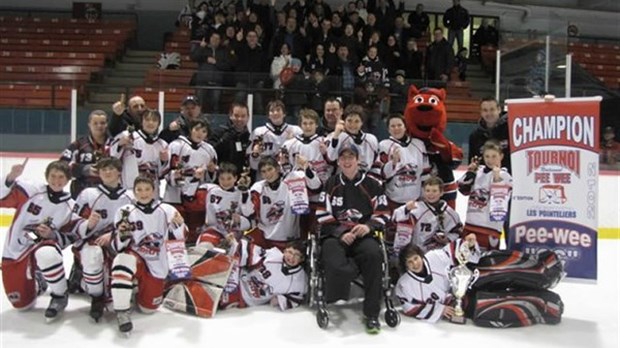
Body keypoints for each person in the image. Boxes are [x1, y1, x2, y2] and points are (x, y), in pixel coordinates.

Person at [0, 160, 95, 321]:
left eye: (61, 177)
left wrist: (52, 235)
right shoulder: (31, 191)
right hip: (16, 250)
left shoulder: (71, 206)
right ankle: (39, 281)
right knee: (22, 305)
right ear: (46, 176)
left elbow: (72, 236)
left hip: (43, 247)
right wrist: (10, 177)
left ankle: (59, 294)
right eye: (53, 176)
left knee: (47, 253)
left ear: (68, 180)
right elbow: (3, 198)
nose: (56, 180)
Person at [315, 144, 390, 334]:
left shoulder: (372, 184)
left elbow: (384, 212)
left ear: (358, 160)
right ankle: (344, 282)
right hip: (335, 235)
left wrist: (368, 226)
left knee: (373, 256)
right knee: (335, 262)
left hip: (362, 235)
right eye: (343, 158)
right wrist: (340, 232)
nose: (347, 161)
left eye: (351, 158)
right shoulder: (331, 183)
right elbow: (322, 214)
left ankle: (372, 314)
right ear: (338, 161)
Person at [110, 176, 187, 334]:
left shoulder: (167, 210)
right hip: (136, 256)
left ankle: (134, 288)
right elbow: (118, 246)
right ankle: (122, 310)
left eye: (147, 189)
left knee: (148, 308)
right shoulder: (124, 211)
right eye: (139, 189)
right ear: (134, 191)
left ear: (153, 191)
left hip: (158, 263)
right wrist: (123, 235)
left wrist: (178, 226)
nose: (143, 193)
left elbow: (181, 240)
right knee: (122, 261)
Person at [71, 157, 134, 321]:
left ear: (119, 172)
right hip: (93, 241)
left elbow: (140, 224)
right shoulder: (88, 194)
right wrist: (89, 225)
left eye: (111, 168)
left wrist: (113, 234)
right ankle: (97, 297)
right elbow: (74, 223)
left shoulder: (131, 195)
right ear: (98, 173)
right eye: (103, 169)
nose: (107, 172)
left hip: (121, 241)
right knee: (92, 256)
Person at [394, 234, 479, 323]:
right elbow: (409, 309)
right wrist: (439, 309)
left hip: (458, 301)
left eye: (416, 258)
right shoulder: (404, 284)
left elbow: (453, 252)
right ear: (405, 265)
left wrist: (468, 245)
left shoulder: (435, 257)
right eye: (410, 262)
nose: (415, 264)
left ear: (421, 255)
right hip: (434, 324)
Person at [241, 156, 321, 249]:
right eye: (263, 171)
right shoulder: (258, 188)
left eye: (270, 169)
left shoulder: (293, 179)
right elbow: (249, 213)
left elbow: (316, 187)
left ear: (278, 168)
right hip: (265, 236)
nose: (267, 174)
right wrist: (244, 192)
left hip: (291, 238)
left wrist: (306, 167)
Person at [164, 119, 218, 243]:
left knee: (195, 231)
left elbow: (213, 177)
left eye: (204, 131)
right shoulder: (176, 145)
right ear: (190, 130)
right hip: (176, 195)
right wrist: (176, 175)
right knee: (176, 231)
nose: (200, 133)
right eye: (197, 129)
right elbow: (166, 171)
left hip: (197, 197)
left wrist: (211, 171)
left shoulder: (209, 150)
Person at [219, 239, 308, 310]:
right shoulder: (274, 254)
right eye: (290, 252)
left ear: (302, 259)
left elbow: (296, 299)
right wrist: (233, 245)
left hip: (244, 297)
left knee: (216, 299)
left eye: (297, 255)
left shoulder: (300, 281)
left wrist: (281, 300)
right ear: (284, 251)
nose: (291, 257)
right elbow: (251, 252)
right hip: (236, 276)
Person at [458, 140, 513, 251]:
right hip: (470, 224)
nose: (490, 160)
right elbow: (463, 190)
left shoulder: (505, 176)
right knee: (466, 258)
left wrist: (497, 179)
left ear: (501, 156)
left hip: (490, 228)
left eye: (494, 156)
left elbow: (499, 204)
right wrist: (470, 173)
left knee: (486, 261)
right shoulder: (478, 171)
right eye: (487, 156)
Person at [392, 176, 462, 253]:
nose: (430, 194)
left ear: (441, 192)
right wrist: (406, 209)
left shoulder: (450, 213)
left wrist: (447, 239)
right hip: (417, 253)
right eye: (427, 191)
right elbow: (395, 218)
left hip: (439, 255)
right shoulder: (416, 208)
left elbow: (458, 232)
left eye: (434, 191)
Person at [108, 109, 170, 193]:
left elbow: (163, 174)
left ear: (158, 124)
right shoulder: (128, 136)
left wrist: (163, 161)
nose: (150, 123)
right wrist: (119, 144)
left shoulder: (163, 145)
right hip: (129, 189)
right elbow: (112, 157)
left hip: (152, 192)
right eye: (147, 119)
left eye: (154, 120)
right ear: (141, 121)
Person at [378, 114, 429, 210]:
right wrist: (393, 163)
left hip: (415, 201)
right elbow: (382, 176)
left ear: (405, 127)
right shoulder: (384, 145)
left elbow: (425, 173)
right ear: (388, 130)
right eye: (392, 126)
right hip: (393, 201)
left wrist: (424, 197)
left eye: (399, 125)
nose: (396, 128)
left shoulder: (418, 144)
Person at [247, 100, 302, 180]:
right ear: (268, 115)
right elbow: (254, 166)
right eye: (272, 111)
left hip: (289, 176)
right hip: (265, 178)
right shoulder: (258, 133)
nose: (275, 113)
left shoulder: (296, 131)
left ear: (284, 113)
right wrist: (255, 155)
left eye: (278, 110)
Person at [60, 109, 109, 198]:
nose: (99, 126)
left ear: (107, 124)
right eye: (95, 123)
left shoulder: (114, 144)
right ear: (89, 124)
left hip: (107, 191)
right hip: (82, 190)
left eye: (102, 123)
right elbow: (62, 165)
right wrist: (84, 169)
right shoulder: (78, 145)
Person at [326, 104, 380, 178]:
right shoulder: (338, 136)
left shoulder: (371, 139)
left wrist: (371, 182)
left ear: (362, 123)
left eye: (356, 121)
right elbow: (330, 158)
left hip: (365, 181)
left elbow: (376, 165)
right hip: (342, 181)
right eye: (349, 121)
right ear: (344, 121)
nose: (353, 124)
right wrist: (336, 136)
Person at [468, 97, 510, 172]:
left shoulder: (510, 129)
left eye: (492, 109)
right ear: (481, 112)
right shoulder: (475, 136)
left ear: (499, 110)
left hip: (511, 179)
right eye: (485, 110)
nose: (489, 113)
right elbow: (473, 162)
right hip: (485, 181)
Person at [208, 102, 252, 175]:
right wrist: (223, 141)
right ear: (230, 116)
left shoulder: (249, 137)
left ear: (248, 117)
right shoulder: (219, 132)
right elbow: (209, 152)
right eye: (236, 116)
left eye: (243, 116)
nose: (240, 119)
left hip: (240, 179)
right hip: (220, 177)